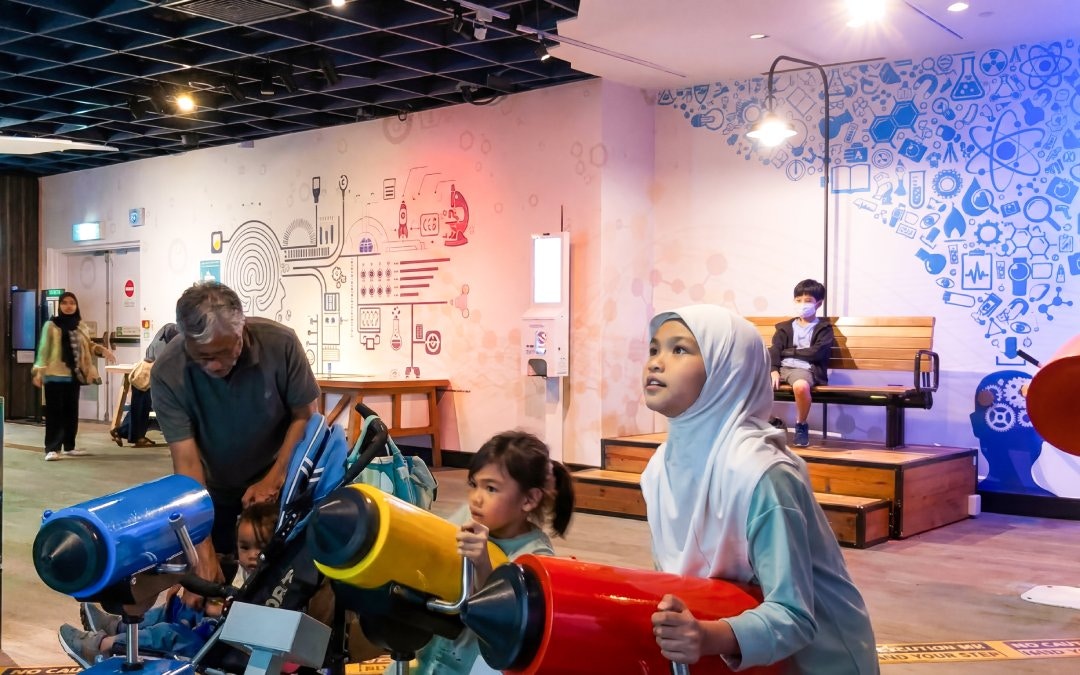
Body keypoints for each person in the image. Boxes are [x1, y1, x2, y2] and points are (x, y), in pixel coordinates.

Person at [641, 305, 878, 673]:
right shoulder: (658, 469)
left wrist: (705, 637)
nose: (656, 363)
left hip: (818, 662)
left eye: (680, 349)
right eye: (654, 349)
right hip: (738, 658)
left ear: (727, 370)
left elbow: (794, 615)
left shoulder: (761, 474)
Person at [151, 281, 320, 591]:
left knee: (281, 583)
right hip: (214, 487)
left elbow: (306, 416)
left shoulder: (280, 344)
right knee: (200, 586)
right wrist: (202, 549)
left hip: (282, 479)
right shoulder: (168, 371)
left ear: (242, 328)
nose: (216, 365)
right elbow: (187, 463)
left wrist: (275, 478)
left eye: (226, 351)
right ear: (187, 341)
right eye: (204, 357)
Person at [407, 431, 575, 675]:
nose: (476, 498)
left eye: (491, 489)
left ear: (529, 499)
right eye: (474, 485)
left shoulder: (535, 556)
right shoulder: (466, 517)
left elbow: (510, 622)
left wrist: (483, 563)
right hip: (425, 657)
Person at [58, 502, 280, 666]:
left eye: (261, 547)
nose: (252, 555)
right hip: (212, 634)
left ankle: (103, 647)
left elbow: (253, 624)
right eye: (245, 547)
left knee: (168, 634)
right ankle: (119, 627)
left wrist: (214, 608)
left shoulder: (275, 586)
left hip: (224, 651)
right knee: (177, 608)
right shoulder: (245, 574)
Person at [31, 291, 117, 461]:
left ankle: (69, 446)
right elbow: (43, 349)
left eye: (72, 303)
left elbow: (88, 345)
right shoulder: (51, 325)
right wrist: (38, 371)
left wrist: (102, 350)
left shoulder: (80, 325)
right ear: (59, 305)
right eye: (65, 303)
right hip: (54, 375)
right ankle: (52, 448)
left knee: (71, 412)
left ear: (76, 306)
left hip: (74, 375)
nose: (68, 306)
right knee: (55, 413)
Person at [768, 279, 834, 447]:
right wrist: (773, 369)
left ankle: (801, 425)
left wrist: (789, 352)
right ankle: (772, 421)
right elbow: (775, 349)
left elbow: (817, 352)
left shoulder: (824, 329)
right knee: (749, 383)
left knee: (801, 387)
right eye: (798, 300)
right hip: (781, 368)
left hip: (804, 369)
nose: (802, 304)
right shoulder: (784, 327)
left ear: (818, 304)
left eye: (808, 300)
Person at [111, 322, 180, 447]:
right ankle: (137, 438)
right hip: (148, 378)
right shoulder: (164, 344)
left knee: (138, 408)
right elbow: (163, 366)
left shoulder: (161, 337)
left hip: (142, 374)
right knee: (142, 409)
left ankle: (121, 432)